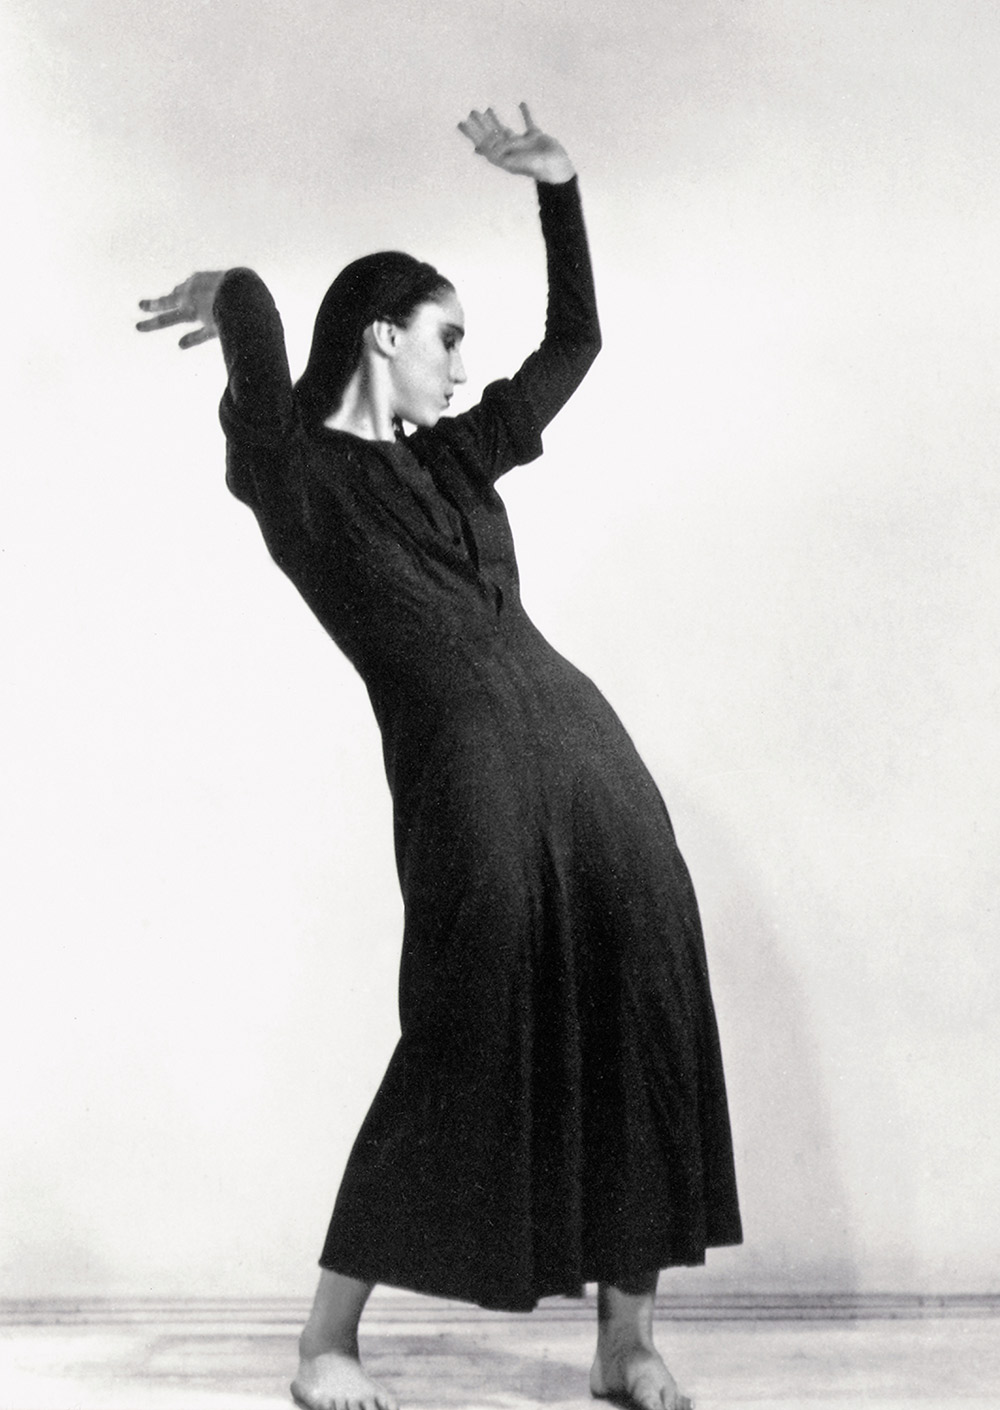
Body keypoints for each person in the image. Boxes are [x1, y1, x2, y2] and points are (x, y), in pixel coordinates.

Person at [137, 104, 741, 1410]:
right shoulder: (291, 472)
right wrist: (239, 286)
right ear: (380, 335)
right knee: (466, 1015)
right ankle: (325, 1342)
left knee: (641, 987)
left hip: (581, 742)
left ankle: (624, 1339)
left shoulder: (462, 457)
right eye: (446, 338)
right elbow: (254, 348)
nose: (465, 368)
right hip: (461, 757)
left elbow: (574, 341)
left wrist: (562, 190)